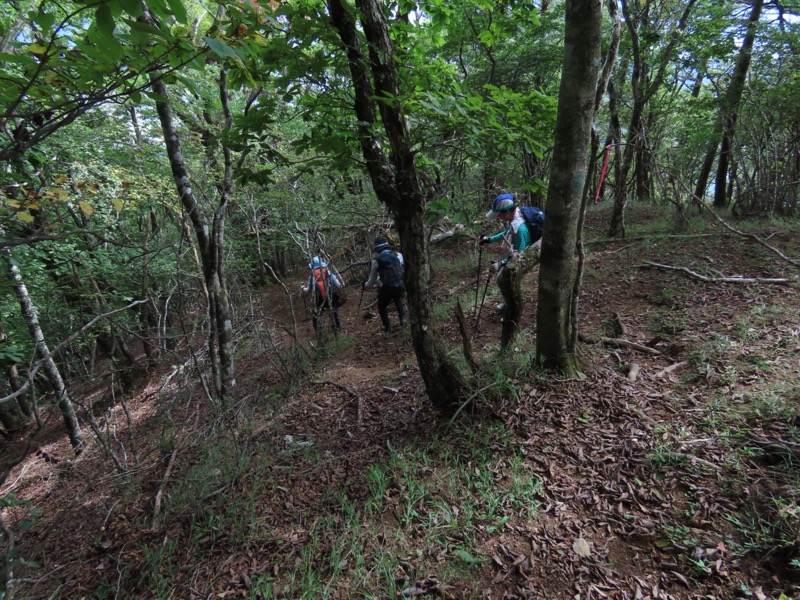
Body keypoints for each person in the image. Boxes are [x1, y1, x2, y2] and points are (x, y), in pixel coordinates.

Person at [478, 193, 536, 268]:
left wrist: (501, 263)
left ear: (507, 212)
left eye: (499, 215)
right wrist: (489, 239)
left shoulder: (520, 230)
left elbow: (519, 255)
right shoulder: (516, 217)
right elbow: (506, 232)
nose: (498, 218)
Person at [363, 236, 407, 332]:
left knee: (381, 306)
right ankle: (403, 318)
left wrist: (365, 285)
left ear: (377, 249)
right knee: (397, 297)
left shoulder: (377, 261)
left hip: (387, 288)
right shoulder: (398, 255)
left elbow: (371, 281)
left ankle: (387, 327)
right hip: (401, 285)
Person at [301, 256, 343, 331]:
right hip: (332, 294)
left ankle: (319, 331)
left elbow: (308, 290)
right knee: (333, 311)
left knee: (317, 313)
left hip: (320, 298)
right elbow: (338, 285)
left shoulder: (312, 276)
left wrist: (303, 288)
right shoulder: (327, 271)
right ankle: (337, 327)